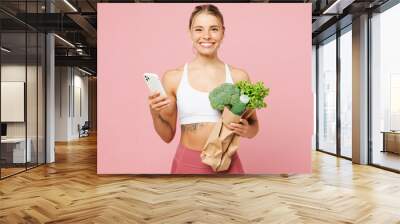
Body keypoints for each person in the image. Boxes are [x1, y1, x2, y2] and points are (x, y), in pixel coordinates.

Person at [148, 4, 259, 174]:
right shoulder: (174, 77)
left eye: (213, 29)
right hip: (187, 162)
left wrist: (246, 130)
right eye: (199, 29)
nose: (206, 36)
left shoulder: (239, 77)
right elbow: (167, 136)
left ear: (223, 32)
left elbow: (254, 128)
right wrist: (154, 112)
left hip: (227, 161)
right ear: (190, 33)